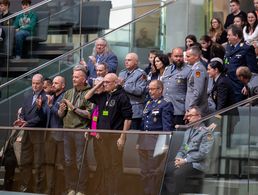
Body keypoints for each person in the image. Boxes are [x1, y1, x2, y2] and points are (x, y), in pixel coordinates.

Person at [85, 73, 132, 195]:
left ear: (116, 83)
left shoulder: (122, 96)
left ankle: (115, 192)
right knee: (106, 166)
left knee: (115, 166)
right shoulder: (103, 96)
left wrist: (123, 137)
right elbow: (87, 96)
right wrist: (100, 84)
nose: (104, 84)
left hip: (115, 137)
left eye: (107, 82)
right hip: (102, 138)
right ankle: (105, 191)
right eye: (104, 82)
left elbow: (128, 118)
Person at [163, 106, 214, 195]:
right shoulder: (188, 131)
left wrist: (185, 160)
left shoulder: (206, 132)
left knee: (178, 173)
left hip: (197, 164)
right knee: (164, 169)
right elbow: (183, 148)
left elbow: (203, 153)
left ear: (199, 116)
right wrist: (178, 158)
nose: (188, 118)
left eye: (190, 116)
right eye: (188, 116)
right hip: (184, 161)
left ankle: (175, 193)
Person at [58, 65, 92, 195]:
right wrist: (61, 110)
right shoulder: (68, 92)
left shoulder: (89, 93)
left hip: (80, 130)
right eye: (73, 76)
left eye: (77, 77)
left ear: (84, 79)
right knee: (68, 160)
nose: (73, 78)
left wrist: (74, 108)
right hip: (67, 130)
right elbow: (61, 115)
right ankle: (71, 188)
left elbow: (89, 114)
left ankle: (82, 189)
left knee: (80, 161)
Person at [138, 80, 174, 195]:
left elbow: (167, 127)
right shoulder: (148, 103)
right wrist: (139, 141)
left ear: (160, 90)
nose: (150, 91)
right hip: (144, 142)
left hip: (156, 143)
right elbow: (143, 124)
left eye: (153, 89)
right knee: (144, 172)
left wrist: (165, 143)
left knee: (153, 172)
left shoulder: (165, 103)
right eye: (149, 89)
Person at [13, 73, 47, 193]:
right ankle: (25, 186)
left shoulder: (46, 97)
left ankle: (38, 189)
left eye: (38, 83)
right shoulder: (27, 95)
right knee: (25, 161)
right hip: (26, 133)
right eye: (33, 83)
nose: (35, 85)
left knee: (38, 163)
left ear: (42, 84)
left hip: (38, 134)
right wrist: (21, 120)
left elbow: (42, 117)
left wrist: (28, 122)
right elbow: (23, 111)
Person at [224, 24, 258, 102]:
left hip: (239, 87)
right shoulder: (228, 47)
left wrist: (248, 85)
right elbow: (226, 63)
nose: (227, 37)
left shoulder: (247, 48)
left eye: (229, 35)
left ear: (236, 36)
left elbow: (253, 70)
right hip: (228, 86)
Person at [45, 76, 66, 195]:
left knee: (60, 165)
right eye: (52, 83)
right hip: (49, 135)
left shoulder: (65, 96)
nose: (53, 85)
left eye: (56, 83)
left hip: (60, 136)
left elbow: (60, 115)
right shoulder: (52, 97)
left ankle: (60, 189)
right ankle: (50, 189)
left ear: (62, 85)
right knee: (49, 163)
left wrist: (50, 106)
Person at [162, 47, 191, 125]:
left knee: (178, 135)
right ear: (171, 56)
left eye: (180, 56)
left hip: (179, 109)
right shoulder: (167, 69)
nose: (179, 58)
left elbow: (190, 92)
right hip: (165, 108)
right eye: (176, 56)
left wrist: (188, 110)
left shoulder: (188, 70)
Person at [118, 52, 147, 130]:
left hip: (134, 111)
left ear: (136, 62)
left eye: (129, 60)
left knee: (132, 136)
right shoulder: (122, 73)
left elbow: (139, 91)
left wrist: (124, 85)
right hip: (122, 110)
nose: (126, 62)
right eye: (125, 60)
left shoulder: (141, 74)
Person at [185, 46, 209, 116]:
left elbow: (198, 92)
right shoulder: (194, 68)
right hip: (193, 109)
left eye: (188, 56)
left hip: (196, 110)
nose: (186, 59)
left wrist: (190, 107)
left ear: (196, 56)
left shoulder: (199, 70)